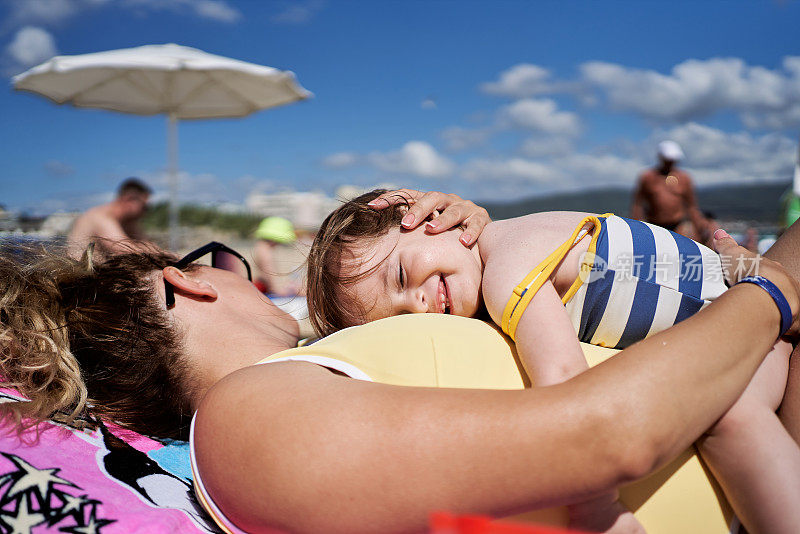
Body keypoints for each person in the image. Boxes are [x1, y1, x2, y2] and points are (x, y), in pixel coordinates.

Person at [1, 190, 799, 534]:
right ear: (188, 281)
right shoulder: (247, 421)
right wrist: (775, 294)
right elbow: (608, 436)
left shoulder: (314, 380)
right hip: (752, 435)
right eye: (224, 261)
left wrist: (477, 233)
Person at [306, 191, 795, 533]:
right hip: (737, 275)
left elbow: (564, 381)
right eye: (398, 316)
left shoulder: (507, 275)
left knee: (732, 418)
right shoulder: (515, 233)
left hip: (749, 323)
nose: (417, 303)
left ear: (425, 218)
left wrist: (596, 510)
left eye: (399, 275)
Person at [631, 141, 706, 237]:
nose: (670, 163)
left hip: (677, 226)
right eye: (667, 160)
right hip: (653, 225)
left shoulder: (684, 178)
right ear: (661, 158)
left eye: (672, 160)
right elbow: (638, 204)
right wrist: (635, 229)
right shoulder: (647, 177)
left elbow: (691, 206)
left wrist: (699, 229)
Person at [66, 177, 152, 259]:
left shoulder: (127, 222)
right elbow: (126, 251)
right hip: (81, 273)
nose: (145, 212)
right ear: (129, 199)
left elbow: (148, 246)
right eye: (145, 207)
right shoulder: (100, 217)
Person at [251, 216, 301, 296]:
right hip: (263, 294)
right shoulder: (266, 253)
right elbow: (276, 288)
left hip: (258, 290)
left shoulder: (260, 248)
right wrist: (296, 291)